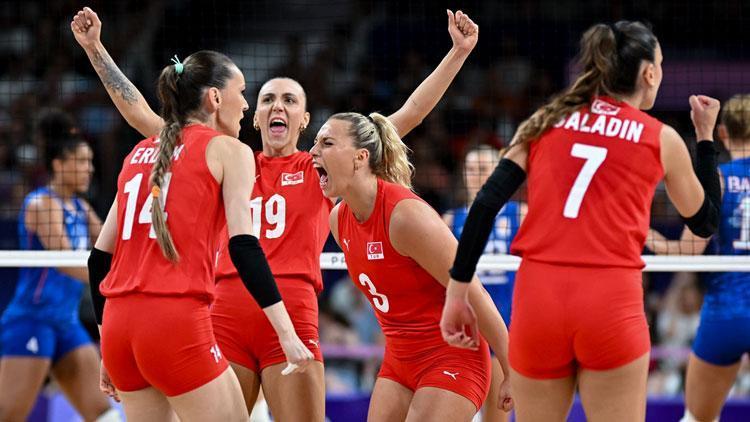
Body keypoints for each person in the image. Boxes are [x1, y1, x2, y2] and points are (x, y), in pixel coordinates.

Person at [72, 6, 481, 420]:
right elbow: (144, 115)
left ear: (304, 121)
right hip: (223, 312)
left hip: (290, 311)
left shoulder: (319, 169)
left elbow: (405, 117)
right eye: (266, 98)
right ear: (256, 115)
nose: (274, 105)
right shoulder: (225, 158)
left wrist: (457, 54)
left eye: (289, 99)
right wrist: (96, 49)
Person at [441, 21, 722, 421]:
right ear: (649, 73)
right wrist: (706, 140)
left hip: (539, 301)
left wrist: (457, 291)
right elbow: (706, 222)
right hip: (609, 302)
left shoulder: (545, 121)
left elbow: (484, 204)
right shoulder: (661, 138)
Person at [77, 49, 313, 421]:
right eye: (243, 92)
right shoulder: (229, 150)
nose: (247, 105)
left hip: (119, 327)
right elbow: (244, 247)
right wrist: (286, 332)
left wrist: (108, 343)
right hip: (175, 321)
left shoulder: (140, 153)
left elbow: (99, 260)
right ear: (215, 98)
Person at [310, 111, 513, 421]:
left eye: (326, 143)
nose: (313, 152)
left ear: (360, 157)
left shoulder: (405, 216)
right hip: (398, 360)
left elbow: (474, 292)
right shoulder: (339, 220)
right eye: (315, 143)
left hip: (452, 355)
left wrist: (513, 369)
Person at [0, 110, 118, 422]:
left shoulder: (80, 207)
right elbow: (66, 261)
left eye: (90, 161)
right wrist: (117, 285)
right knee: (10, 416)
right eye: (81, 161)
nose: (89, 169)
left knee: (104, 414)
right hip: (31, 320)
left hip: (65, 323)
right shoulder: (42, 204)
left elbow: (114, 244)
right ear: (58, 165)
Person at [647, 94, 750, 422]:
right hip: (728, 307)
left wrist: (642, 234)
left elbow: (688, 251)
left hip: (725, 314)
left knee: (697, 418)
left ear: (722, 134)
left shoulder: (717, 179)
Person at [443, 144, 525, 422]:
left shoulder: (520, 214)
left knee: (497, 414)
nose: (477, 175)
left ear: (496, 173)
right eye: (472, 169)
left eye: (484, 169)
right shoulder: (450, 221)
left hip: (506, 327)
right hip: (465, 330)